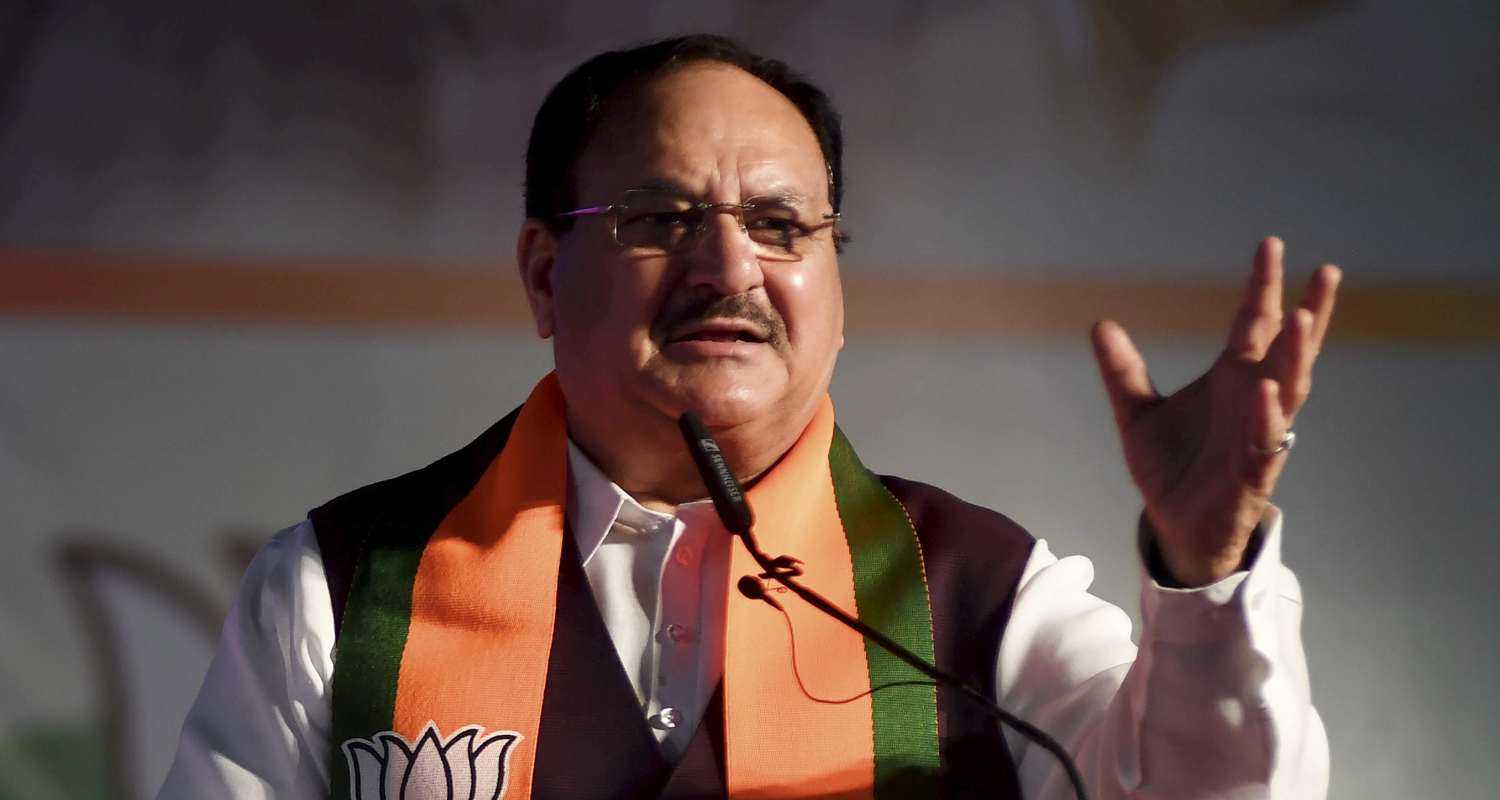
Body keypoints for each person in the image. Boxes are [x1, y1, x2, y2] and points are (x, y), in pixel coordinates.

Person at [159, 35, 1340, 799]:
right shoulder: (347, 588)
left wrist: (1206, 567)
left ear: (836, 289)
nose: (730, 265)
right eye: (661, 216)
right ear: (539, 272)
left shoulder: (973, 595)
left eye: (781, 225)